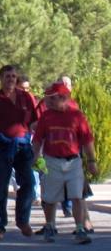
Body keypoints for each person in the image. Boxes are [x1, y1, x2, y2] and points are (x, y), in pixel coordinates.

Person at [32, 82, 97, 245]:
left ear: (63, 98)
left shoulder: (77, 116)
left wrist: (92, 160)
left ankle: (80, 228)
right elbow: (38, 139)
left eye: (52, 98)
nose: (49, 101)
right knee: (50, 197)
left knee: (77, 196)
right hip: (51, 161)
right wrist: (36, 157)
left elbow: (88, 140)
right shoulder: (46, 116)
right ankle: (50, 226)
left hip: (73, 162)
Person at [0, 65, 37, 240]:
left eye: (14, 76)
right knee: (0, 188)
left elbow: (33, 123)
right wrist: (0, 141)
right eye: (8, 76)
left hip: (23, 147)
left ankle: (22, 220)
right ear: (1, 78)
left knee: (28, 183)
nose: (11, 79)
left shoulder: (26, 98)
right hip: (2, 149)